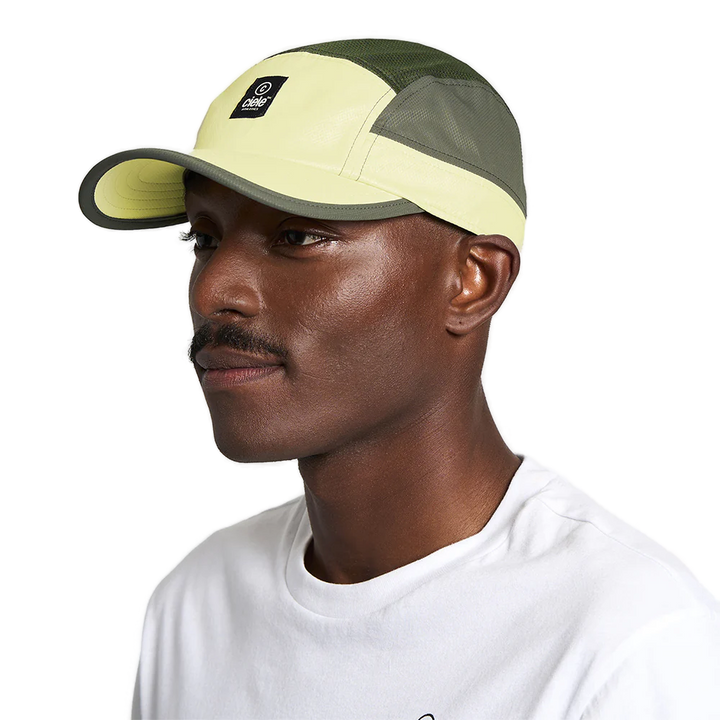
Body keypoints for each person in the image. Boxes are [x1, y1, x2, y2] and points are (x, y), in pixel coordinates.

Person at [76, 33, 720, 719]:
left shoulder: (631, 640)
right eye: (203, 239)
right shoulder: (193, 601)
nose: (211, 294)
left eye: (298, 235)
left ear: (473, 281)